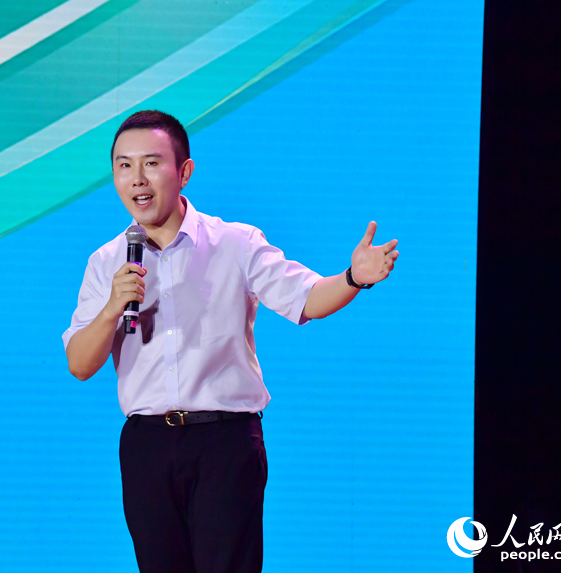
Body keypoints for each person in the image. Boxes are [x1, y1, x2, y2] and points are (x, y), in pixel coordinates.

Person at [62, 110, 399, 573]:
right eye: (124, 165)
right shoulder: (106, 263)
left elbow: (307, 298)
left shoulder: (235, 243)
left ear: (184, 171)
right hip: (147, 447)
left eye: (151, 163)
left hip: (224, 442)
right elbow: (80, 364)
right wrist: (112, 308)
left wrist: (353, 278)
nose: (136, 178)